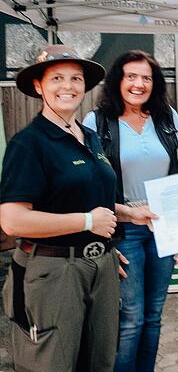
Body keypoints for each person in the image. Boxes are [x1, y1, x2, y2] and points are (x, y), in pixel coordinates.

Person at [0, 45, 155, 371]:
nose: (68, 86)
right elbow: (13, 220)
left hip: (100, 267)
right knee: (53, 363)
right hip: (53, 272)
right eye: (56, 78)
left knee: (99, 362)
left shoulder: (89, 136)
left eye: (75, 78)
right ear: (39, 86)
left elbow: (84, 198)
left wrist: (126, 213)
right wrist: (87, 221)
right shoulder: (28, 144)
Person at [82, 50, 178, 372]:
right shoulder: (96, 122)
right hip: (124, 231)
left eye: (147, 77)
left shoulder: (168, 117)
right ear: (118, 80)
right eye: (131, 76)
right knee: (131, 318)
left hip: (163, 229)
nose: (139, 84)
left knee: (154, 315)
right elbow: (90, 185)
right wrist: (109, 240)